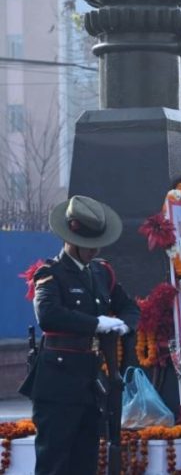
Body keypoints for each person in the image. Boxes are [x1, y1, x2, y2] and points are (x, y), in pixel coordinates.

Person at [17, 195, 138, 475]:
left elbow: (128, 306)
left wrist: (124, 325)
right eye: (88, 246)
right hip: (58, 384)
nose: (94, 251)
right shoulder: (50, 273)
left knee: (85, 464)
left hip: (89, 383)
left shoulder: (102, 273)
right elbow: (48, 314)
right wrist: (96, 323)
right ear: (71, 237)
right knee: (55, 464)